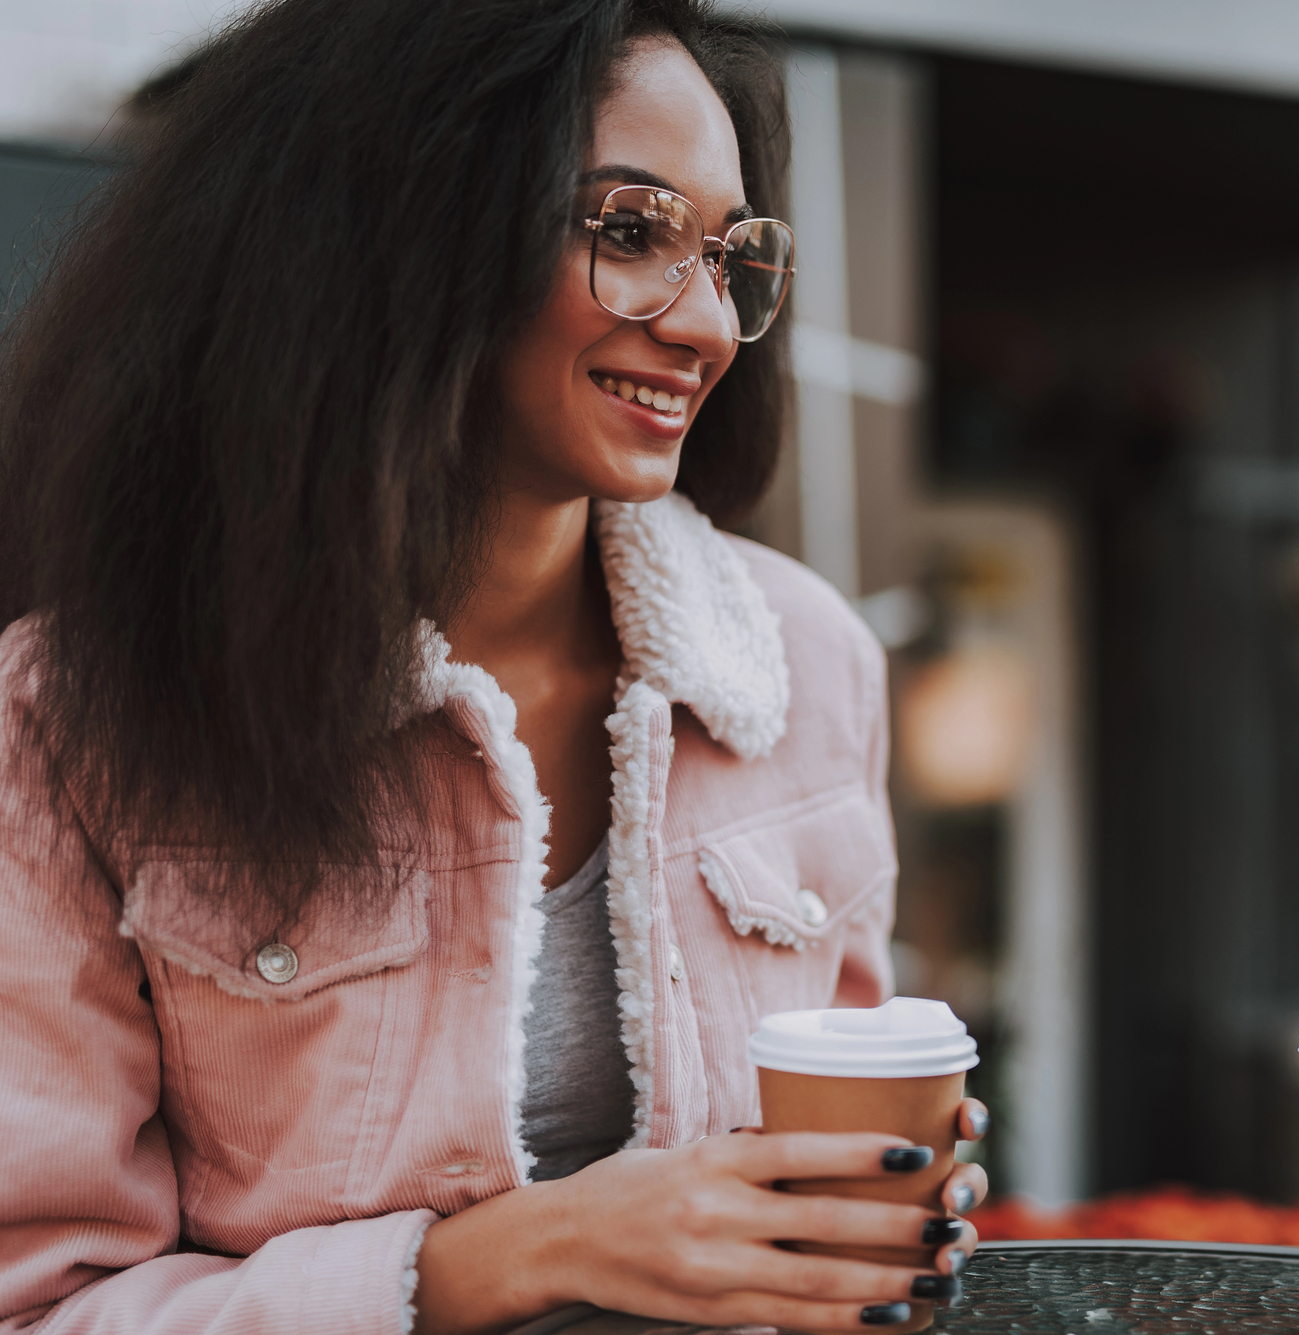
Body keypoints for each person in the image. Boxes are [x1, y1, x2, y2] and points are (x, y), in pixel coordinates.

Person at [0, 2, 988, 1332]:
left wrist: (871, 1208)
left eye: (731, 255)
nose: (704, 324)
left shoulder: (804, 660)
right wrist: (517, 1255)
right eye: (631, 232)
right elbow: (40, 1305)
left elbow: (827, 1209)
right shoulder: (72, 720)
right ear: (400, 234)